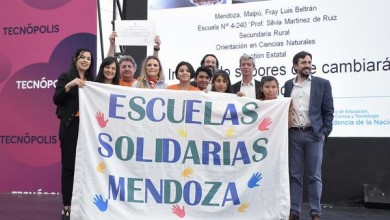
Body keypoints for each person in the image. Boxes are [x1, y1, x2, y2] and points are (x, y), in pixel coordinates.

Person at [284, 51, 334, 220]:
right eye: (303, 62)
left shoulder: (323, 84)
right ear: (295, 66)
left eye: (309, 62)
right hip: (294, 135)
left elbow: (328, 111)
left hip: (314, 135)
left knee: (314, 175)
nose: (307, 65)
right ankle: (294, 211)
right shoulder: (288, 85)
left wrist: (324, 132)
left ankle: (315, 212)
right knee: (295, 176)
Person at [53, 48, 95, 220]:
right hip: (71, 126)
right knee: (69, 166)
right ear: (75, 59)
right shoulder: (66, 77)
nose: (85, 60)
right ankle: (67, 205)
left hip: (89, 129)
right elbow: (56, 98)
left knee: (87, 167)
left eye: (89, 58)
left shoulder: (92, 81)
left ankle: (83, 202)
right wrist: (70, 85)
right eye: (82, 57)